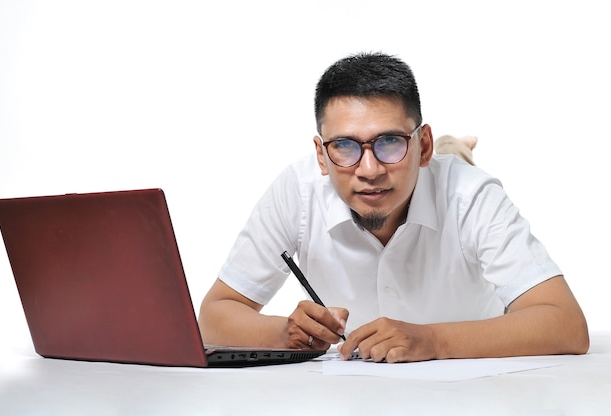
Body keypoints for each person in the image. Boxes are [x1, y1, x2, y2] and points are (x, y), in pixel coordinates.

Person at [199, 52, 589, 363]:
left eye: (390, 142)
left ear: (423, 146)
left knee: (455, 170)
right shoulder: (296, 191)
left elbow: (567, 325)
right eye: (345, 146)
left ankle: (455, 149)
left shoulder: (472, 195)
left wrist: (432, 338)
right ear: (321, 155)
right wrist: (283, 332)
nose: (368, 170)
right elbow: (214, 316)